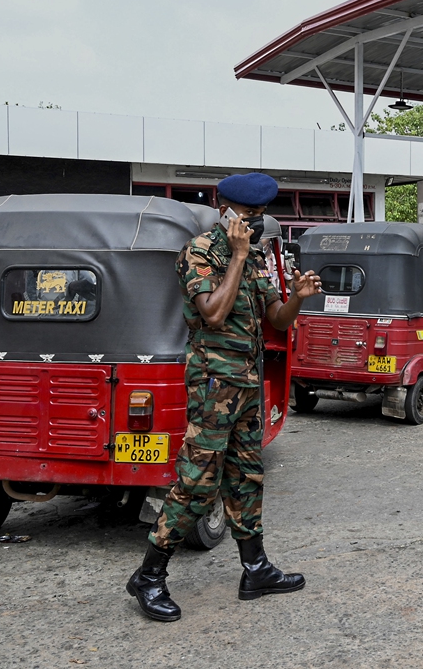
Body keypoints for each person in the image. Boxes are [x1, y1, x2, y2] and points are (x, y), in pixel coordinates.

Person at [127, 173, 323, 622]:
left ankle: (255, 569)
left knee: (247, 477)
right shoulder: (200, 252)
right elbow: (213, 314)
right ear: (226, 210)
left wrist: (297, 298)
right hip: (214, 385)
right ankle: (149, 576)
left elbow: (277, 317)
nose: (254, 226)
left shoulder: (252, 257)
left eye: (259, 219)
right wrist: (235, 256)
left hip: (247, 384)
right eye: (248, 217)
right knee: (197, 483)